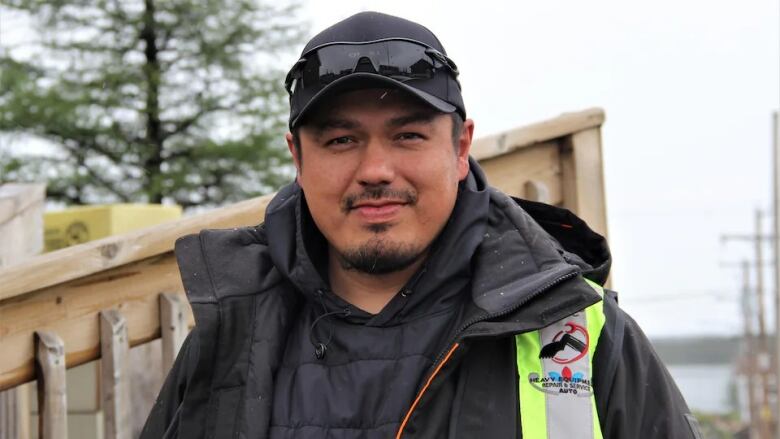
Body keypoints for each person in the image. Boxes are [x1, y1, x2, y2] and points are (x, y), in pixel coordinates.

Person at [141, 11, 701, 439]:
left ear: (460, 149)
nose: (375, 170)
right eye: (341, 140)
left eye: (408, 135)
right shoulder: (231, 335)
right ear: (297, 158)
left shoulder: (579, 336)